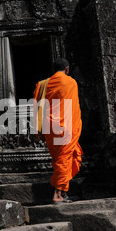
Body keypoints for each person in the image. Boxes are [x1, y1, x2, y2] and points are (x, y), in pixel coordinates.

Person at [33, 58, 83, 204]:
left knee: (60, 160)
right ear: (67, 69)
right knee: (64, 160)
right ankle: (57, 195)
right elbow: (73, 107)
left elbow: (37, 106)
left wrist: (39, 130)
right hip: (66, 127)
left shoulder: (43, 84)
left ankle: (64, 194)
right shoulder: (71, 82)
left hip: (50, 128)